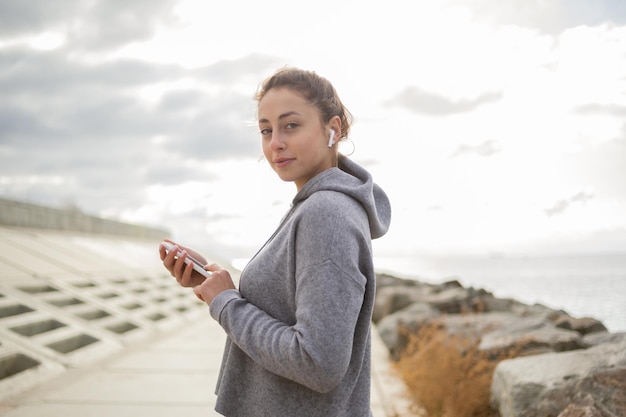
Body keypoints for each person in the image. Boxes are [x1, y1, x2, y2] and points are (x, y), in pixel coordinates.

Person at [160, 67, 391, 417]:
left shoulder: (326, 214)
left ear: (334, 129)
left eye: (291, 125)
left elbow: (317, 362)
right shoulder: (316, 207)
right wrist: (214, 285)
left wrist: (226, 303)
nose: (275, 143)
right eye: (266, 130)